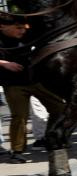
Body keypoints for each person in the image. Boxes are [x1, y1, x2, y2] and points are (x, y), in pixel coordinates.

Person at [0, 16, 64, 162]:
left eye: (24, 27)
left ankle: (50, 136)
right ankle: (17, 150)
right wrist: (4, 63)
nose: (22, 31)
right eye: (18, 27)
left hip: (35, 81)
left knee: (60, 107)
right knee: (20, 116)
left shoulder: (28, 35)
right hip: (13, 84)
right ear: (2, 26)